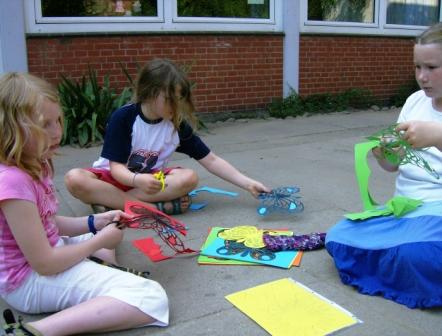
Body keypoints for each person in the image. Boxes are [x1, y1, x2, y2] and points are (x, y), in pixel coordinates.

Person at [0, 72, 168, 336]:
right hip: (27, 282)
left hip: (46, 256)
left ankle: (101, 270)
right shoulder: (13, 181)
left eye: (58, 120)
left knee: (108, 232)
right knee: (150, 296)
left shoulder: (36, 162)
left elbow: (47, 224)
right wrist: (98, 241)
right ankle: (32, 331)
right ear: (11, 129)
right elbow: (44, 263)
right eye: (45, 124)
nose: (57, 132)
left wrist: (94, 222)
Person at [326, 22, 442, 309]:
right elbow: (393, 167)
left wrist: (438, 136)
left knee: (419, 254)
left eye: (431, 67)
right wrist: (384, 154)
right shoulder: (415, 101)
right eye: (417, 67)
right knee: (339, 236)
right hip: (406, 209)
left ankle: (402, 262)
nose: (422, 77)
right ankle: (404, 262)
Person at [64, 58, 269, 215]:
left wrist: (248, 183)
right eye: (171, 99)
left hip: (151, 182)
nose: (177, 105)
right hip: (113, 178)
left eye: (180, 99)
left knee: (189, 177)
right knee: (75, 179)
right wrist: (136, 180)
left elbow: (211, 160)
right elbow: (116, 168)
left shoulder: (175, 125)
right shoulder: (124, 118)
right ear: (150, 93)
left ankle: (112, 204)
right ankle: (151, 209)